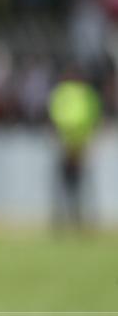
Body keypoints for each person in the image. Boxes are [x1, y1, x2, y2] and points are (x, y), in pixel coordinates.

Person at [48, 68, 101, 230]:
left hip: (71, 144)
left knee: (69, 183)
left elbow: (55, 118)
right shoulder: (85, 94)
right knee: (76, 183)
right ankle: (74, 219)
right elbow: (93, 118)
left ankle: (67, 219)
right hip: (78, 144)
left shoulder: (63, 93)